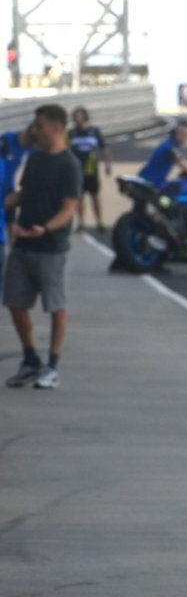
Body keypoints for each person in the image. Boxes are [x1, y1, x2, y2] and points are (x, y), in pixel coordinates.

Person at [4, 104, 82, 389]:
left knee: (55, 306)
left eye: (39, 126)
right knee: (15, 302)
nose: (34, 131)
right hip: (23, 242)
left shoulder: (69, 165)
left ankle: (52, 365)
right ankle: (29, 359)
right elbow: (23, 194)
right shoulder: (35, 159)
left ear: (56, 128)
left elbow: (68, 208)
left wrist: (45, 228)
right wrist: (7, 206)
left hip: (51, 247)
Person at [0, 121, 35, 292]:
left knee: (12, 224)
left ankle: (14, 258)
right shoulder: (7, 139)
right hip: (4, 188)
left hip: (9, 190)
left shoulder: (33, 149)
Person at [67, 107, 113, 232]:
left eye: (80, 116)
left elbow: (104, 147)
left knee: (95, 196)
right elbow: (66, 150)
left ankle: (100, 222)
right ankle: (81, 223)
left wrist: (108, 164)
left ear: (85, 117)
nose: (78, 119)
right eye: (76, 117)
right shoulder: (71, 133)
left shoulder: (95, 131)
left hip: (92, 169)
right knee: (79, 197)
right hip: (77, 170)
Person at [136, 117, 187, 190]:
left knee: (184, 183)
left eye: (186, 135)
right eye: (181, 134)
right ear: (174, 133)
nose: (183, 137)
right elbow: (186, 166)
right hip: (154, 184)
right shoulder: (170, 148)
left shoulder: (168, 143)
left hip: (149, 180)